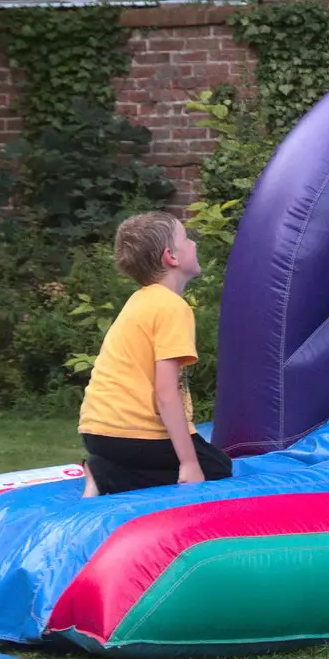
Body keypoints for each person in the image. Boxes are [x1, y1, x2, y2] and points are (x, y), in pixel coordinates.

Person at [78, 212, 233, 497]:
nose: (194, 244)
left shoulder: (141, 300)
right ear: (170, 257)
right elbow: (165, 393)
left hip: (97, 430)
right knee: (217, 467)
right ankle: (107, 475)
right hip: (131, 433)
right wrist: (188, 463)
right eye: (186, 238)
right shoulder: (171, 307)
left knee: (205, 458)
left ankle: (108, 465)